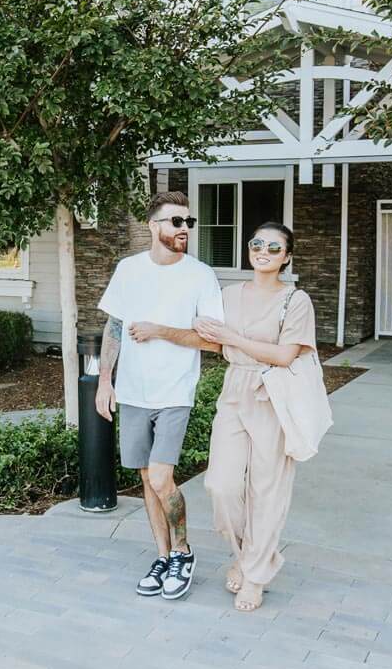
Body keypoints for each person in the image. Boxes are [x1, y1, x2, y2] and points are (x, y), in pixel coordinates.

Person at [95, 191, 224, 600]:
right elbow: (114, 327)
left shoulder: (201, 276)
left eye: (188, 222)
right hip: (133, 393)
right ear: (154, 227)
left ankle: (183, 552)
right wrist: (104, 382)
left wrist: (160, 330)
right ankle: (163, 555)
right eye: (176, 222)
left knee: (163, 477)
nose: (185, 228)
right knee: (147, 481)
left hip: (174, 393)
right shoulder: (128, 269)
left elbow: (214, 344)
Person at [195, 221, 318, 613]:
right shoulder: (228, 295)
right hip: (235, 389)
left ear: (287, 257)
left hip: (273, 394)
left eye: (274, 247)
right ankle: (247, 554)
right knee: (221, 485)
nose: (263, 250)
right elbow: (211, 340)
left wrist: (233, 339)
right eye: (257, 243)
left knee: (268, 490)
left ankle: (255, 575)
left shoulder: (295, 300)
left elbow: (285, 355)